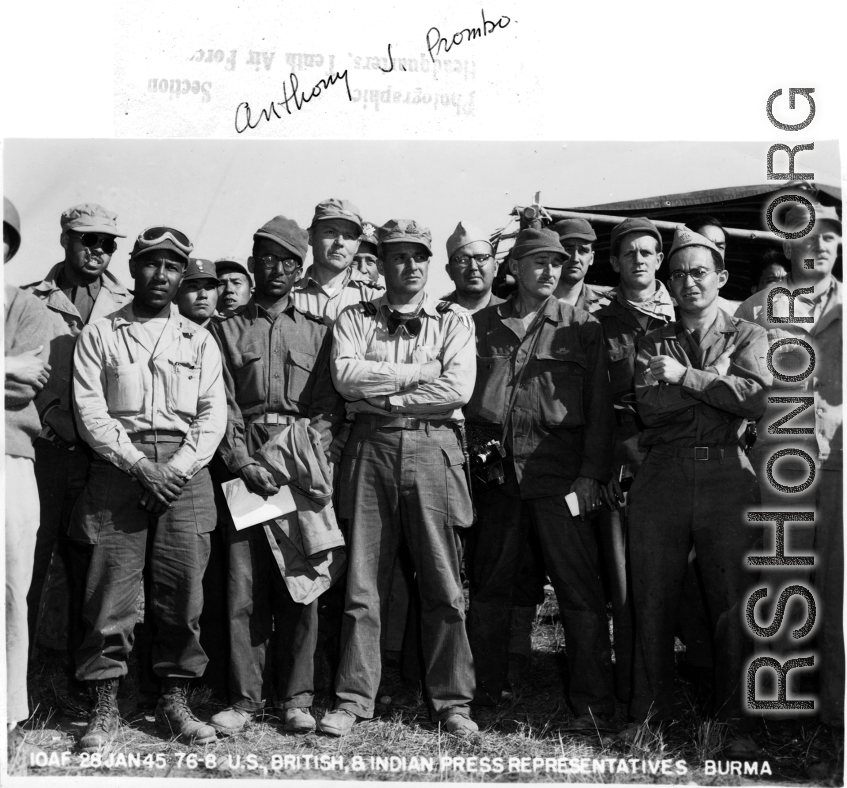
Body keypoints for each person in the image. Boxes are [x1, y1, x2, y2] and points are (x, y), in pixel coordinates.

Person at [320, 219, 478, 738]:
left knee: (442, 581)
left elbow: (456, 389)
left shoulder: (453, 321)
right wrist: (416, 374)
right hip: (370, 449)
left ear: (430, 264)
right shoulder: (354, 316)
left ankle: (452, 702)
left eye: (419, 257)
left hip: (433, 448)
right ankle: (352, 699)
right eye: (397, 257)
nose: (409, 267)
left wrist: (384, 395)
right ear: (381, 263)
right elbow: (345, 377)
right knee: (363, 583)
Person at [71, 226, 226, 750]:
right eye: (151, 264)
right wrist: (140, 465)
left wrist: (175, 469)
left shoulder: (199, 339)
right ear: (134, 266)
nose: (161, 275)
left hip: (185, 471)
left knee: (183, 594)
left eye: (172, 267)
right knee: (109, 593)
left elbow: (211, 414)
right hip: (119, 468)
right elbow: (90, 409)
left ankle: (174, 703)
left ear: (183, 275)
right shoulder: (101, 333)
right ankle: (106, 707)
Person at [464, 226, 616, 730]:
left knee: (579, 591)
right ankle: (485, 689)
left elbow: (600, 409)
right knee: (490, 587)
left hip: (560, 477)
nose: (552, 270)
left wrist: (592, 475)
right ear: (513, 270)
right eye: (539, 262)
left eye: (558, 262)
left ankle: (591, 702)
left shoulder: (581, 326)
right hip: (499, 479)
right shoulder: (479, 326)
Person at [626, 227, 771, 738]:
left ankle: (736, 720)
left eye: (701, 272)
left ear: (722, 278)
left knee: (732, 599)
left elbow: (754, 397)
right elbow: (651, 409)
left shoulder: (749, 336)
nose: (690, 282)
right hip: (663, 475)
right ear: (668, 283)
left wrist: (685, 377)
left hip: (726, 476)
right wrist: (717, 382)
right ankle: (649, 714)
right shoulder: (650, 340)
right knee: (651, 596)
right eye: (680, 274)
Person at [209, 215, 344, 736]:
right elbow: (219, 403)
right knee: (244, 589)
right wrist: (243, 462)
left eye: (289, 260)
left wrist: (299, 462)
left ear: (300, 267)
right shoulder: (222, 330)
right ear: (252, 263)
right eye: (267, 257)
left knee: (303, 584)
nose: (278, 268)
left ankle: (297, 698)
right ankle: (244, 701)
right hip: (244, 472)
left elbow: (328, 408)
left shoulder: (319, 332)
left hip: (299, 472)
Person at [736, 202, 843, 728]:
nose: (818, 246)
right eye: (807, 236)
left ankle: (837, 715)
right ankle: (775, 707)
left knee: (839, 589)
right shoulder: (755, 310)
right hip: (779, 464)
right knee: (780, 583)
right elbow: (735, 387)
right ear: (786, 244)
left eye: (830, 236)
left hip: (841, 464)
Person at [23, 204, 131, 679]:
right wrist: (47, 414)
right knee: (30, 565)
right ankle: (19, 685)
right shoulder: (29, 300)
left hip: (102, 457)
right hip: (43, 451)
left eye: (107, 244)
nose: (98, 251)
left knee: (95, 571)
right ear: (65, 239)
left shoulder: (126, 303)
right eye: (88, 240)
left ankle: (84, 683)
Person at [595, 216, 675, 703]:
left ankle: (684, 686)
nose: (639, 260)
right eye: (630, 253)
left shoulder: (686, 312)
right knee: (624, 584)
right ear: (615, 262)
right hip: (624, 461)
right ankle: (634, 698)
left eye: (647, 252)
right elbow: (595, 403)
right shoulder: (599, 322)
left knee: (679, 583)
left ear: (659, 260)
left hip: (679, 458)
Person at [4, 197, 52, 759]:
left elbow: (28, 383)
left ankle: (7, 719)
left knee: (10, 591)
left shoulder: (26, 309)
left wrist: (14, 372)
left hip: (9, 460)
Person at [292, 198, 383, 324]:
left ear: (357, 245)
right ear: (311, 237)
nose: (340, 242)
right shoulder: (289, 295)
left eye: (349, 236)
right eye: (330, 232)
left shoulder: (376, 297)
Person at [550, 217, 611, 311]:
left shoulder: (606, 308)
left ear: (591, 258)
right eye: (568, 249)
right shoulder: (533, 304)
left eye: (583, 251)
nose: (575, 258)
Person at [442, 221, 503, 312]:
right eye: (463, 260)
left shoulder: (514, 314)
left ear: (495, 267)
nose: (473, 267)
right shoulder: (435, 316)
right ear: (450, 271)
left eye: (481, 259)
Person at [176, 258, 220, 326]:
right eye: (193, 286)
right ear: (175, 295)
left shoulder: (226, 333)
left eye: (209, 287)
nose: (203, 295)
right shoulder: (163, 332)